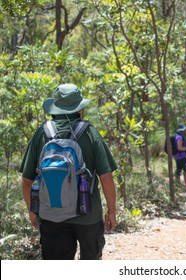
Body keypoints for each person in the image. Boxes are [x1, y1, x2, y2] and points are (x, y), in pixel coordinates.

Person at [20, 83, 117, 260]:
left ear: (54, 107)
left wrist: (32, 211)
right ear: (80, 109)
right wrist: (112, 211)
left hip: (51, 214)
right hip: (88, 214)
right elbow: (106, 177)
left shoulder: (41, 133)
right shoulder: (90, 133)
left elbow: (27, 180)